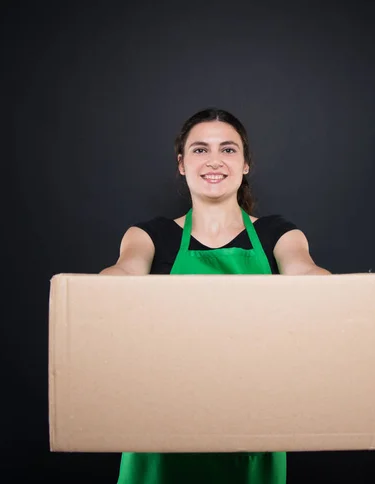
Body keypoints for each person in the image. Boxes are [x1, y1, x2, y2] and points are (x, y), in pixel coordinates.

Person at [100, 107, 331, 484]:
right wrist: (101, 291)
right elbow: (124, 272)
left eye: (227, 150)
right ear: (181, 164)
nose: (214, 160)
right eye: (200, 149)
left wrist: (330, 291)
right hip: (161, 431)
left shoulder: (279, 234)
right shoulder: (150, 236)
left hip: (251, 425)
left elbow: (304, 271)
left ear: (245, 165)